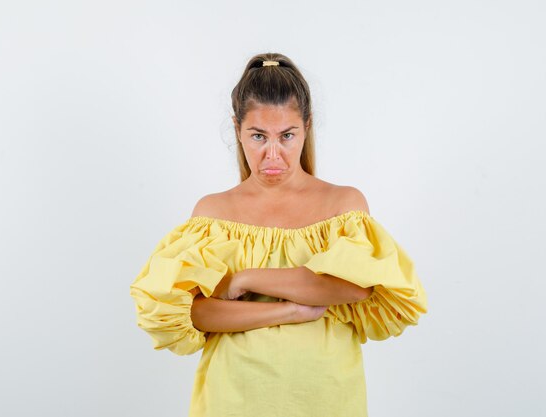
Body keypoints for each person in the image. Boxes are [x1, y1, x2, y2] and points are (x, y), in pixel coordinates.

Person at [129, 52, 428, 417]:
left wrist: (247, 278)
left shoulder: (343, 204)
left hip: (325, 397)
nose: (273, 155)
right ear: (237, 128)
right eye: (258, 136)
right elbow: (194, 313)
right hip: (234, 396)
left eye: (287, 136)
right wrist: (289, 311)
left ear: (307, 126)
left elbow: (353, 286)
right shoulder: (212, 214)